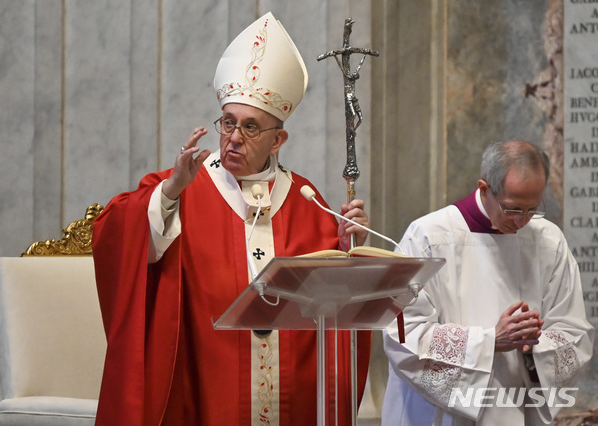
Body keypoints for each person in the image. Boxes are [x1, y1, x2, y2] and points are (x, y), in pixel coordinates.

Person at [92, 12, 371, 426]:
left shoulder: (306, 198)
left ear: (278, 140)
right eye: (228, 122)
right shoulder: (183, 185)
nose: (234, 137)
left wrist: (350, 250)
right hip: (203, 385)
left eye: (251, 127)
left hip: (289, 394)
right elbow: (114, 236)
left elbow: (332, 301)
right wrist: (169, 192)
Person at [381, 140, 594, 425]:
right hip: (443, 415)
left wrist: (536, 346)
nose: (522, 222)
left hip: (518, 406)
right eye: (512, 209)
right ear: (484, 188)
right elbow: (403, 335)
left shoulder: (548, 240)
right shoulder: (429, 238)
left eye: (532, 210)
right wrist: (490, 340)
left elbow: (574, 330)